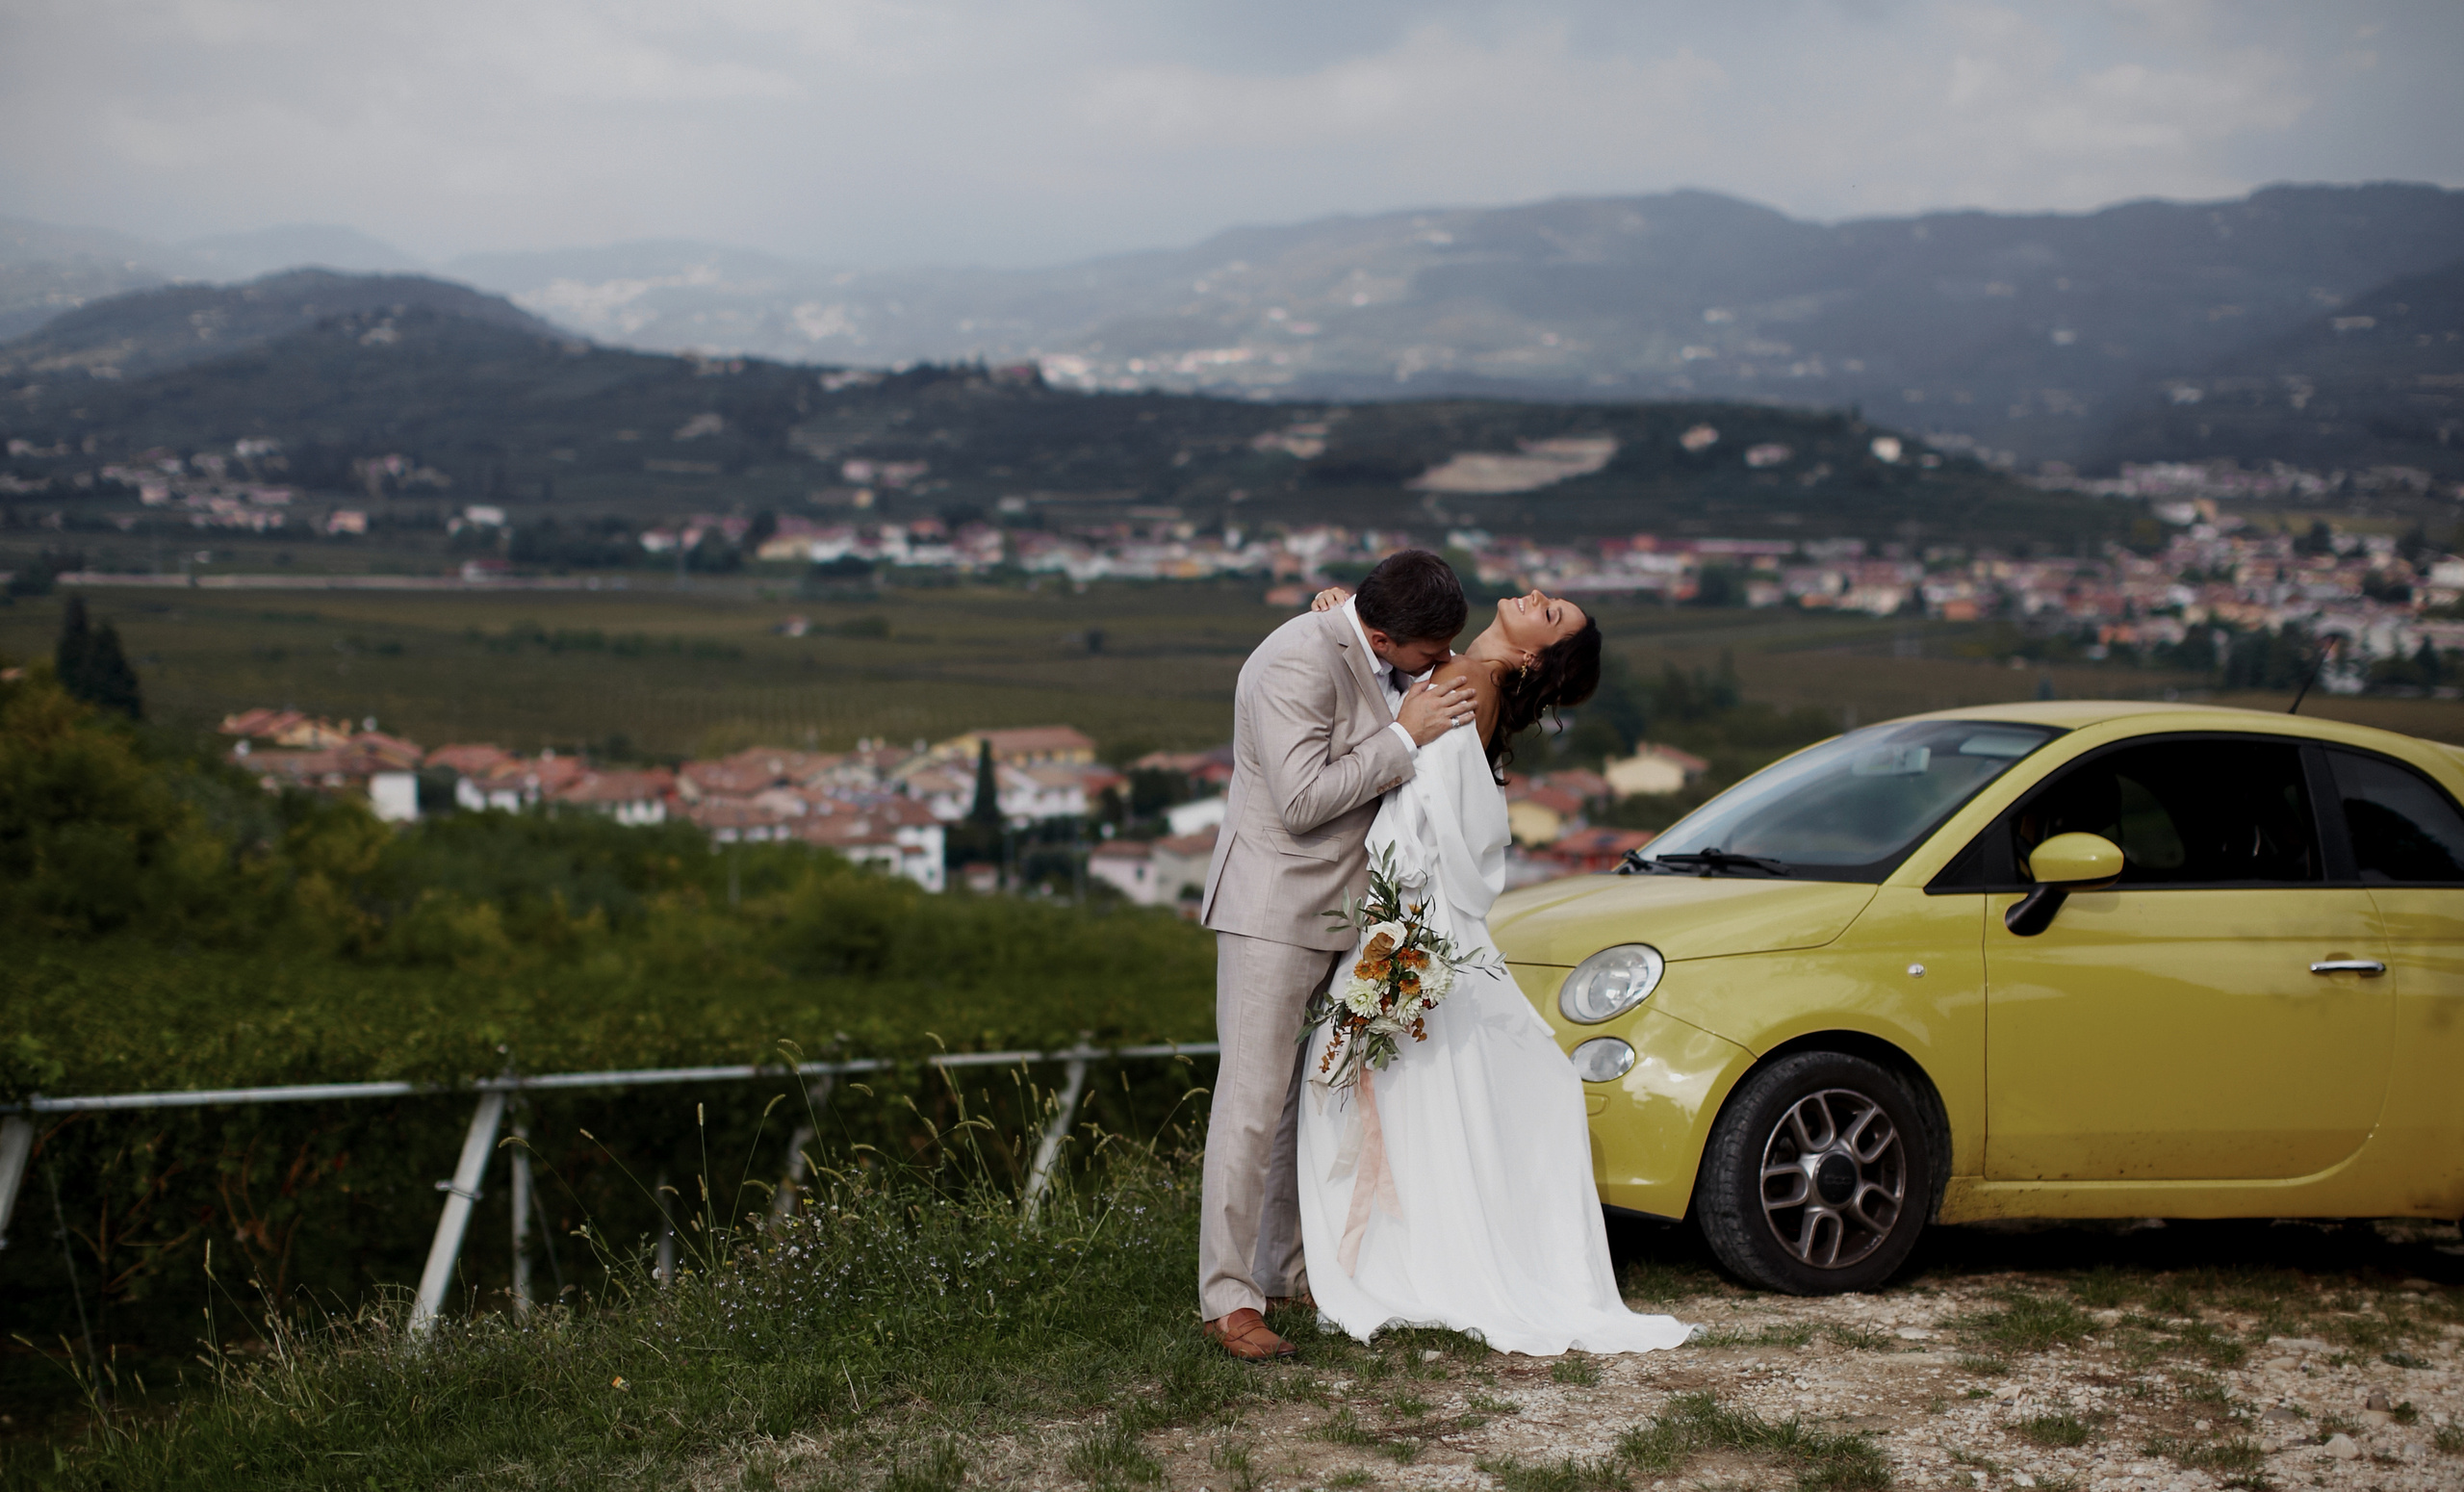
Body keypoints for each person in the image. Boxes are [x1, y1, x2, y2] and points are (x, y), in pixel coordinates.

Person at [1292, 582, 1694, 1356]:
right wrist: (1361, 622)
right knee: (1428, 1084)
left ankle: (1391, 1262)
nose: (1539, 594)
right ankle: (1410, 1251)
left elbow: (1393, 757)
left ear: (1535, 653)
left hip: (1409, 909)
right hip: (1418, 908)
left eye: (1549, 613)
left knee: (1379, 1081)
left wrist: (1359, 633)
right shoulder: (1461, 673)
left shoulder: (1467, 681)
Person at [1196, 550, 1477, 1362]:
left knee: (1295, 1107)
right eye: (1433, 652)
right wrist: (1403, 734)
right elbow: (1301, 800)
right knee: (1248, 1107)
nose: (1442, 665)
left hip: (1343, 911)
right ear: (1385, 633)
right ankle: (1225, 1300)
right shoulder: (1295, 661)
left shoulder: (1369, 641)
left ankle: (1281, 1273)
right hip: (1272, 907)